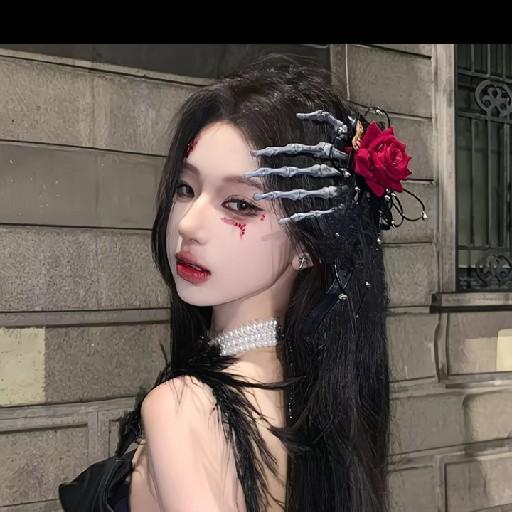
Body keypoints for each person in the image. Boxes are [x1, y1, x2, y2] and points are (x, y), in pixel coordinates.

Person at [59, 53, 425, 512]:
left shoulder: (184, 409)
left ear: (309, 245)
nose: (189, 224)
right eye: (186, 189)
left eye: (240, 205)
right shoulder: (315, 401)